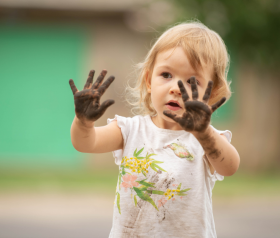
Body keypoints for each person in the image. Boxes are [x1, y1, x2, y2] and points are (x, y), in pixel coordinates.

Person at [69, 21, 240, 238]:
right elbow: (85, 143)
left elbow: (230, 167)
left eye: (191, 81)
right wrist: (83, 121)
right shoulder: (130, 129)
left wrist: (204, 133)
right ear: (149, 81)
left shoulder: (206, 138)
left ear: (211, 92)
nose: (175, 89)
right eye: (166, 75)